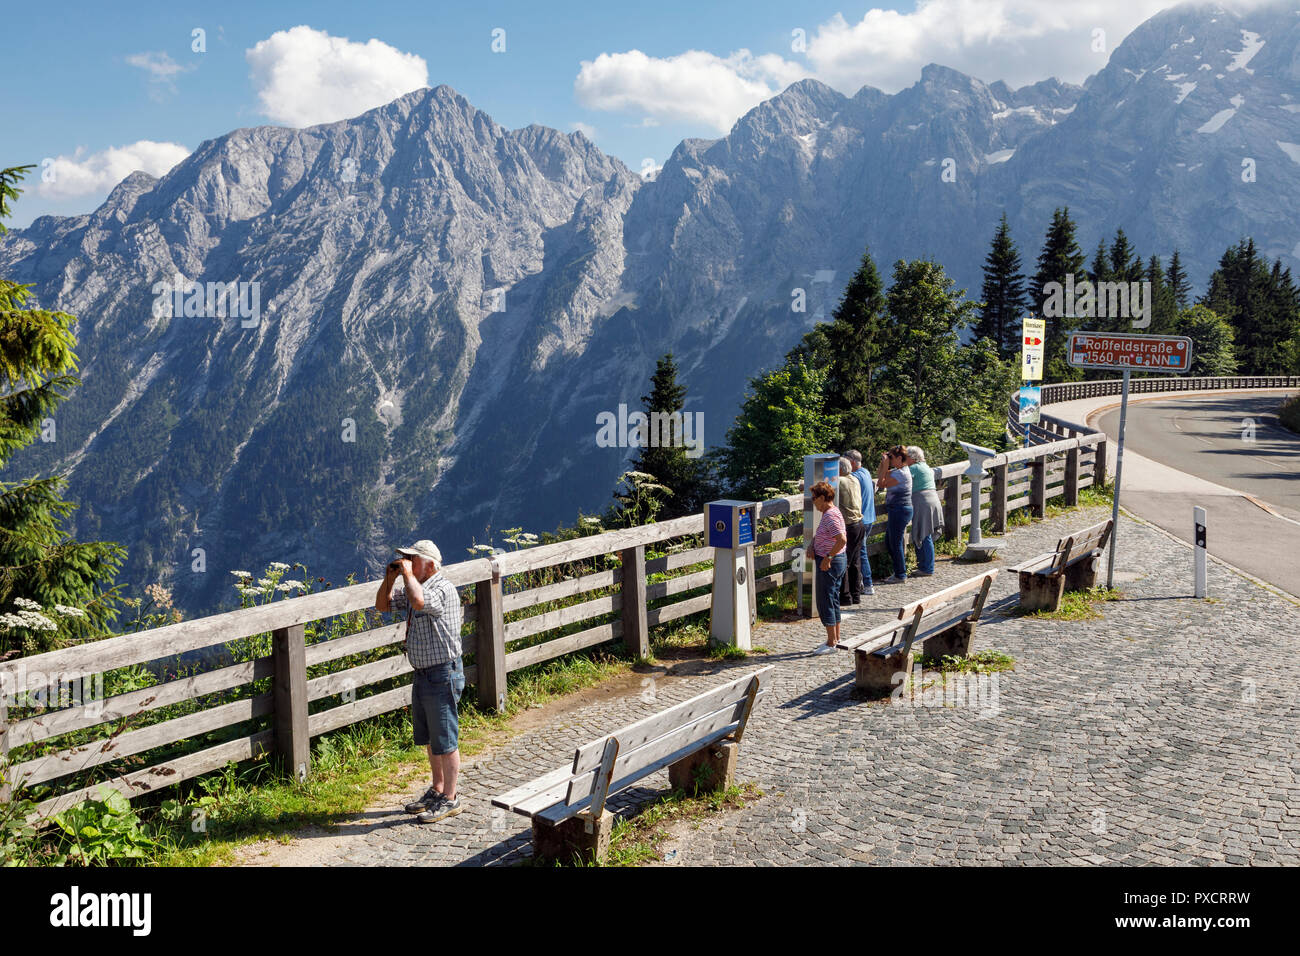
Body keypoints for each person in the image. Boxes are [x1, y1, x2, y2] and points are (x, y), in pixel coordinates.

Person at [375, 539, 465, 823]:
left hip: (443, 671)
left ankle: (451, 798)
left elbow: (418, 601)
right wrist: (390, 579)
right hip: (424, 672)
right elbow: (382, 606)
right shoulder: (418, 584)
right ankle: (437, 790)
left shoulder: (442, 589)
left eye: (413, 559)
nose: (408, 563)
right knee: (430, 737)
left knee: (446, 738)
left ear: (429, 563)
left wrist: (408, 575)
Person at [808, 480, 847, 654]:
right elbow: (824, 534)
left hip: (830, 562)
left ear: (823, 498)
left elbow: (842, 539)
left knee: (825, 600)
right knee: (833, 599)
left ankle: (831, 643)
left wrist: (828, 557)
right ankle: (835, 639)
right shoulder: (832, 512)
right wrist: (812, 544)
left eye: (814, 498)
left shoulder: (830, 516)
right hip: (835, 560)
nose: (813, 501)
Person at [876, 446, 913, 583]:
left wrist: (885, 464)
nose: (889, 460)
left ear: (899, 458)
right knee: (889, 542)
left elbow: (881, 482)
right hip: (897, 510)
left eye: (891, 457)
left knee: (895, 543)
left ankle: (900, 574)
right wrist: (883, 463)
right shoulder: (901, 470)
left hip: (900, 510)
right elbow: (882, 474)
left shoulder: (901, 474)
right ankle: (898, 572)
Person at [906, 446, 943, 577]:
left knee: (924, 534)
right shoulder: (925, 466)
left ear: (912, 457)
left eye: (906, 457)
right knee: (926, 533)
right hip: (933, 500)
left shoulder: (913, 468)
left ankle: (927, 567)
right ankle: (925, 565)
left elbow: (901, 478)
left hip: (923, 502)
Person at [836, 456, 865, 606]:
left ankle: (845, 597)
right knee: (855, 562)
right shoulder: (855, 479)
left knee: (844, 562)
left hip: (848, 526)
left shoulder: (839, 482)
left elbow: (821, 490)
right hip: (859, 524)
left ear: (839, 469)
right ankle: (856, 595)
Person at [847, 450, 875, 596]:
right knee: (860, 551)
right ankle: (861, 582)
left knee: (860, 553)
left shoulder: (854, 477)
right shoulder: (866, 472)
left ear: (851, 461)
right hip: (870, 517)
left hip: (861, 520)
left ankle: (867, 584)